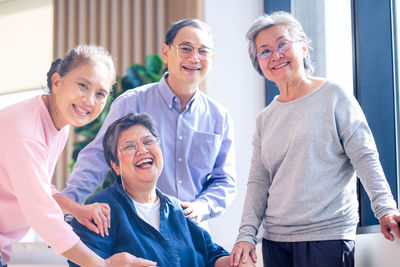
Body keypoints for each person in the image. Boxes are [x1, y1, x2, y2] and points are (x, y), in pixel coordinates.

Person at [230, 11, 400, 267]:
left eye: (282, 44)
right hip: (276, 241)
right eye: (264, 51)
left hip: (328, 235)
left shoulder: (334, 96)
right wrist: (246, 235)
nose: (275, 55)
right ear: (259, 63)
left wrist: (385, 208)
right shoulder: (265, 118)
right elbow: (258, 182)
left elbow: (365, 156)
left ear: (304, 47)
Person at [55, 18, 237, 228]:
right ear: (166, 53)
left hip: (192, 232)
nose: (195, 57)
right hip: (135, 230)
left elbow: (225, 180)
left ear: (211, 58)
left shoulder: (219, 117)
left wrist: (203, 206)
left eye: (203, 51)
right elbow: (96, 157)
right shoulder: (131, 103)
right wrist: (69, 206)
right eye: (186, 48)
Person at [0, 45, 156, 267]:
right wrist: (105, 265)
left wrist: (75, 209)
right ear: (57, 82)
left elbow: (38, 187)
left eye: (100, 94)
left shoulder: (57, 124)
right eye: (83, 85)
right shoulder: (28, 133)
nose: (90, 101)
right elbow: (42, 215)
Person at [68, 112, 252, 267]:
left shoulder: (179, 209)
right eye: (130, 146)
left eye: (148, 142)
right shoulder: (100, 211)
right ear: (115, 165)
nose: (142, 150)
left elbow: (211, 255)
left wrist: (238, 260)